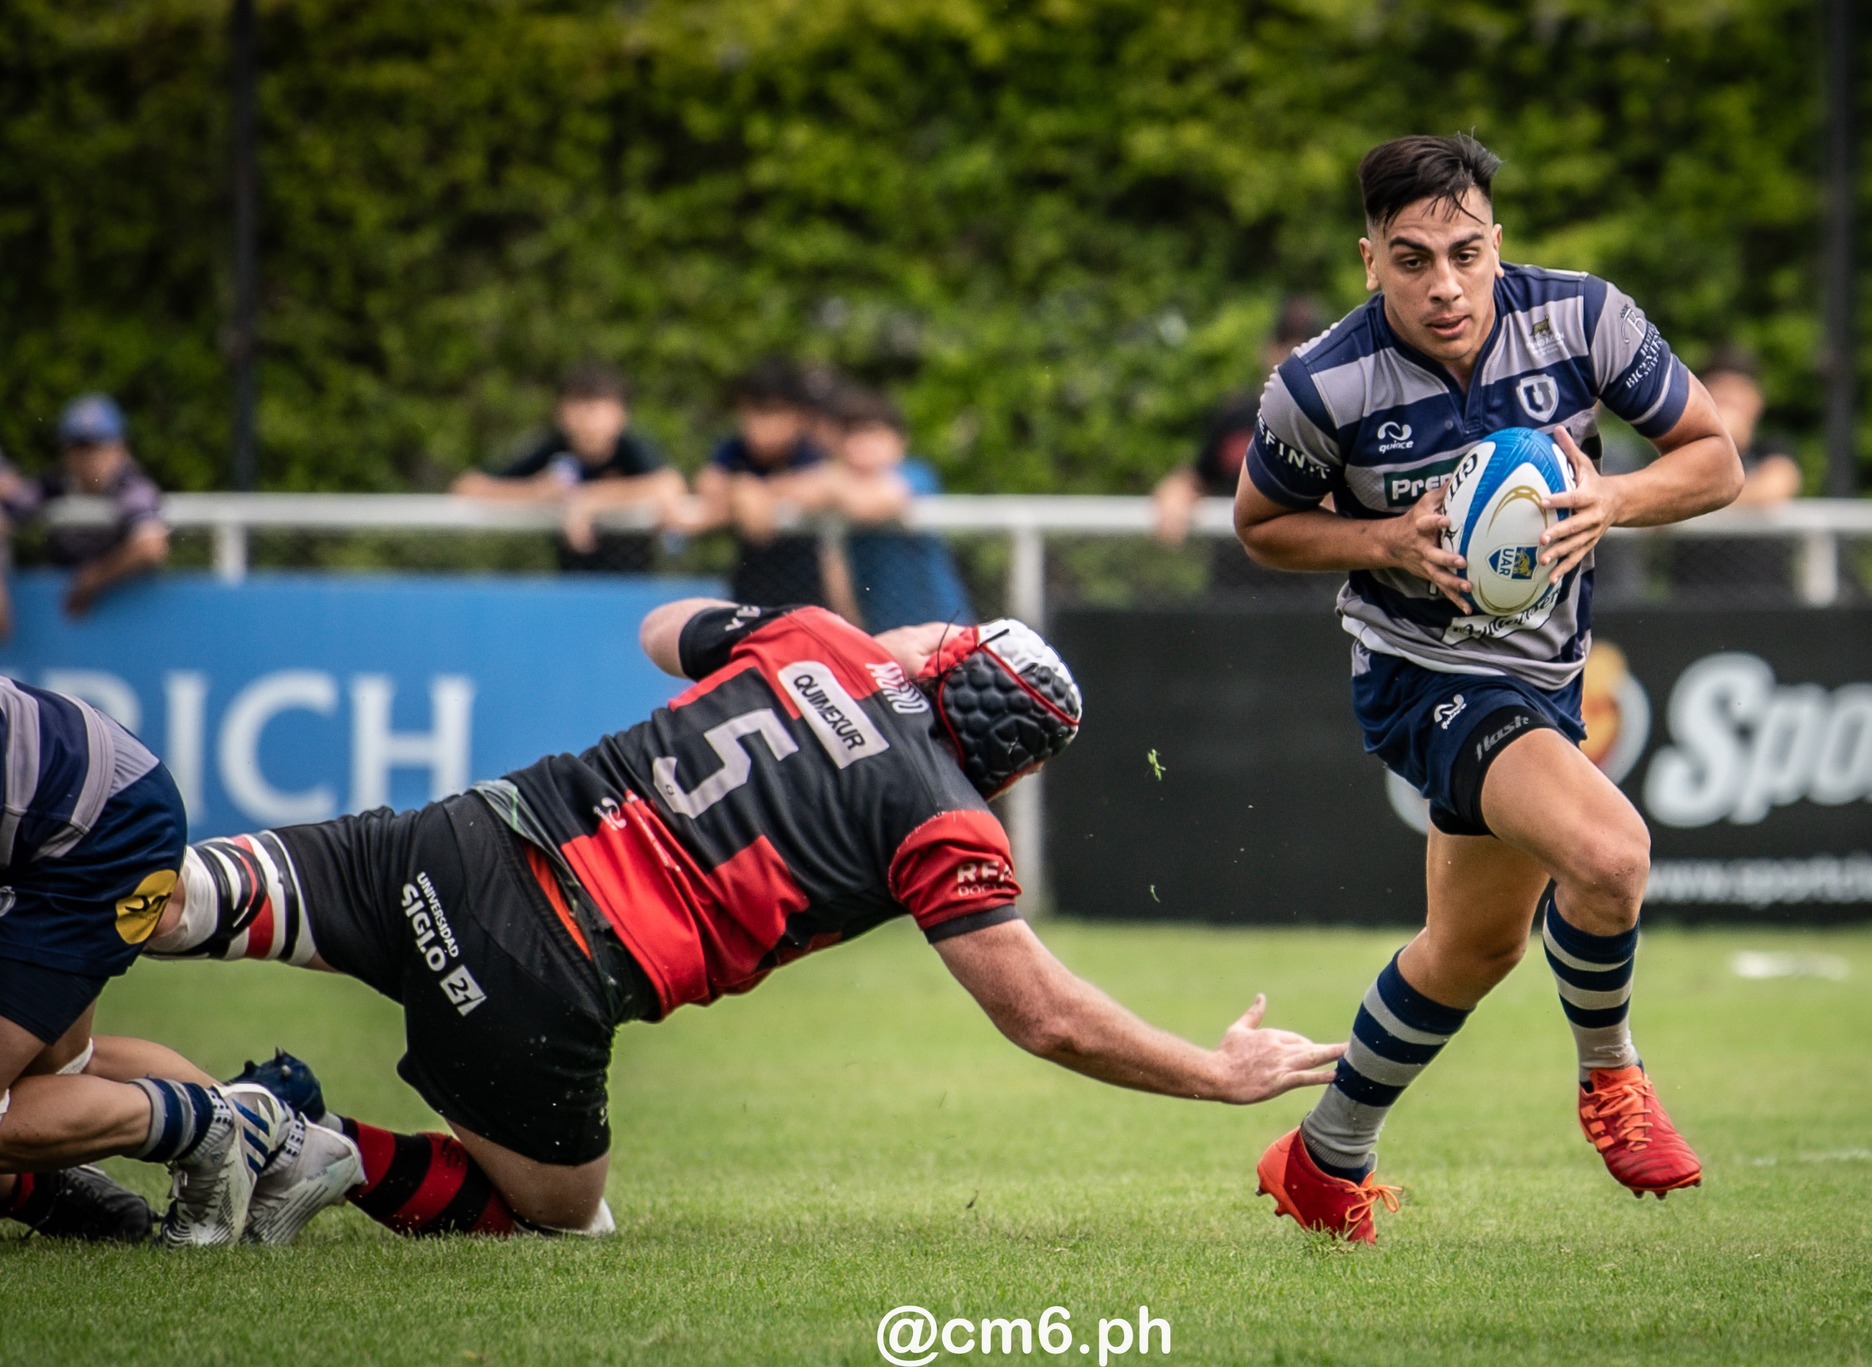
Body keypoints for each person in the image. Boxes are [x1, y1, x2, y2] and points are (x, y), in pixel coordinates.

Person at [141, 600, 1343, 1237]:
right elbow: (1043, 1016)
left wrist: (861, 655)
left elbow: (662, 627)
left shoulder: (815, 637)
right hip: (537, 974)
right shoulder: (950, 821)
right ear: (1018, 767)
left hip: (450, 837)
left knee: (179, 895)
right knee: (565, 1217)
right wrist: (1213, 1072)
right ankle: (307, 1140)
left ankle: (69, 875)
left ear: (942, 656)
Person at [1233, 134, 1742, 1243]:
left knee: (1472, 947)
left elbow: (1715, 457)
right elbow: (1261, 526)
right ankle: (1611, 1074)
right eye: (1411, 260)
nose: (1445, 286)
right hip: (1421, 674)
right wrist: (1382, 539)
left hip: (1545, 673)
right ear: (1369, 258)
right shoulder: (1318, 384)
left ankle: (1324, 1156)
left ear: (1496, 244)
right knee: (1610, 855)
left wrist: (1615, 499)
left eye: (1465, 254)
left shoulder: (1583, 318)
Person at [0, 675, 358, 1246]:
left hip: (98, 827)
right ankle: (285, 1146)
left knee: (41, 1075)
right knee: (57, 1067)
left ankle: (219, 1127)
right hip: (85, 804)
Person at [452, 363, 689, 573]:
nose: (589, 421)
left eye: (597, 409)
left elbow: (669, 484)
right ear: (562, 413)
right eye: (580, 407)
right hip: (572, 581)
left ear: (620, 414)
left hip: (632, 582)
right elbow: (468, 486)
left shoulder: (632, 448)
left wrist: (590, 500)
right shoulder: (551, 448)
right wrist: (536, 492)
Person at [1152, 297, 1328, 547]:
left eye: (1304, 348)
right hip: (1233, 566)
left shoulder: (1340, 423)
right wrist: (1176, 492)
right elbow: (1197, 476)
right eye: (1284, 344)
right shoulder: (1235, 417)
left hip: (1299, 568)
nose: (1291, 357)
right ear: (1267, 349)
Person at [0, 394, 172, 639]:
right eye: (79, 446)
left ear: (119, 447)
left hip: (133, 624)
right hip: (63, 630)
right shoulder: (54, 484)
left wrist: (95, 578)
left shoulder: (132, 486)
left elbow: (151, 547)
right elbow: (9, 514)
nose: (88, 458)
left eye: (97, 446)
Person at [820, 387, 973, 632]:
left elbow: (872, 503)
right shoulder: (836, 481)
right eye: (853, 435)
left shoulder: (916, 474)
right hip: (880, 631)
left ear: (900, 440)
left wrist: (830, 487)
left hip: (941, 628)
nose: (863, 445)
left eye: (873, 434)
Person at [692, 359, 835, 609]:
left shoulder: (810, 453)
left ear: (799, 417)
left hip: (808, 597)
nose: (760, 425)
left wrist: (759, 492)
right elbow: (707, 482)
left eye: (772, 413)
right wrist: (740, 490)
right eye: (752, 413)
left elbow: (824, 484)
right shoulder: (734, 450)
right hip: (748, 594)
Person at [1670, 347, 1803, 600]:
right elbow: (1665, 497)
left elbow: (1775, 489)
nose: (1729, 403)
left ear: (1757, 400)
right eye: (1719, 393)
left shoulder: (1772, 448)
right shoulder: (1678, 450)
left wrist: (1699, 497)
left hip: (1767, 601)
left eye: (1737, 393)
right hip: (1692, 601)